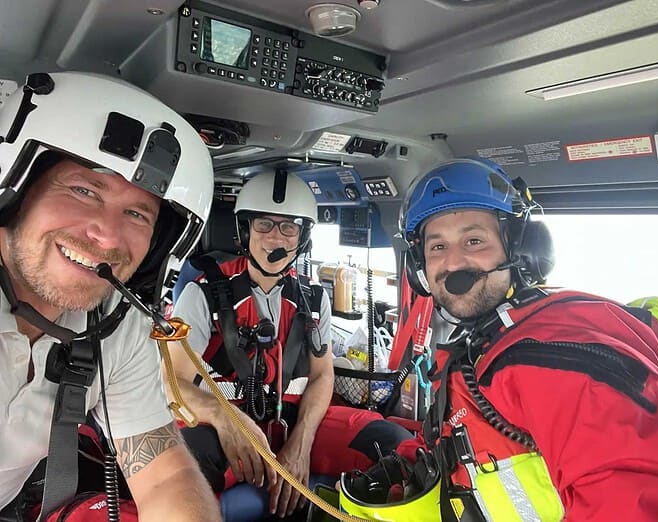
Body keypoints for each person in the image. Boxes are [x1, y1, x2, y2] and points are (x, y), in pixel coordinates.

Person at [389, 157, 658, 521]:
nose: (454, 263)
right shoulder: (487, 339)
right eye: (437, 247)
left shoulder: (552, 353)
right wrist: (405, 467)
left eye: (474, 240)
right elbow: (464, 433)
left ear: (519, 248)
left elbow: (631, 505)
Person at [0, 72, 221, 520]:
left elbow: (165, 478)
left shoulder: (118, 325)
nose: (106, 236)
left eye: (138, 213)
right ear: (15, 190)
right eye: (84, 190)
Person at [167, 170, 413, 519]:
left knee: (394, 442)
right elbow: (172, 381)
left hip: (293, 422)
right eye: (264, 225)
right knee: (182, 464)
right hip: (224, 429)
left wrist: (302, 441)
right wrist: (226, 418)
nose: (274, 238)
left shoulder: (314, 298)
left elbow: (322, 376)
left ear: (303, 237)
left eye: (288, 227)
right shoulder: (202, 293)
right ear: (245, 230)